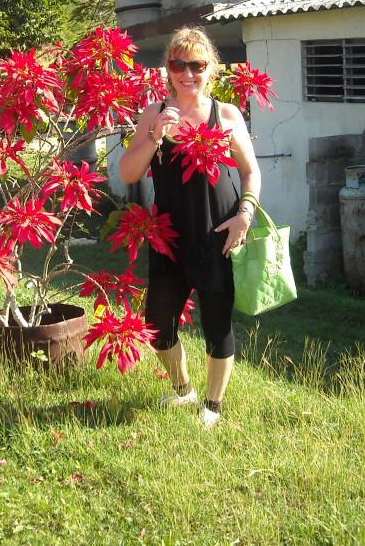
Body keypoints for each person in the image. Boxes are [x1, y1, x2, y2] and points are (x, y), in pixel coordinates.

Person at [119, 26, 261, 428]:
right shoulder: (154, 113)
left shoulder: (226, 115)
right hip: (169, 238)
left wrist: (245, 214)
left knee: (217, 324)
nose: (187, 73)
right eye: (178, 64)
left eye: (196, 65)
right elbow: (128, 173)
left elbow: (250, 172)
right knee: (157, 324)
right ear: (168, 68)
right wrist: (155, 136)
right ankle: (183, 389)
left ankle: (213, 405)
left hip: (217, 234)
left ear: (210, 68)